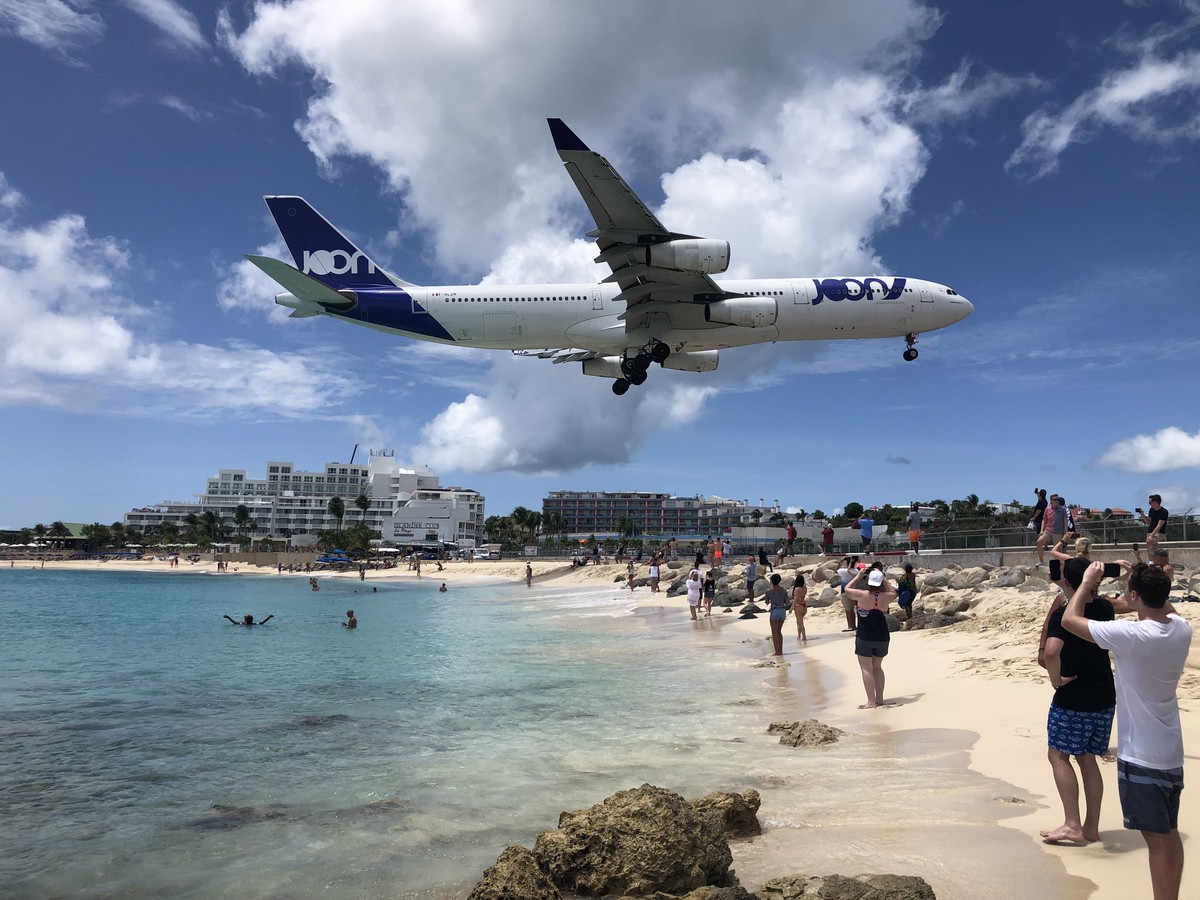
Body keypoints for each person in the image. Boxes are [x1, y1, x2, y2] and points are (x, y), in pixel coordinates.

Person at [1063, 562, 1191, 900]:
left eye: (1127, 592)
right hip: (1169, 752)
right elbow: (1167, 607)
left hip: (1143, 757)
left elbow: (1069, 621)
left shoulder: (1133, 636)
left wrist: (1087, 582)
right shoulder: (1181, 628)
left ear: (1134, 596)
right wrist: (1142, 584)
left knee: (1158, 839)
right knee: (1168, 834)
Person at [1038, 558, 1115, 846]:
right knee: (1088, 760)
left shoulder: (1063, 615)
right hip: (1104, 695)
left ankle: (1072, 824)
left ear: (1067, 582)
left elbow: (1052, 651)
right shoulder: (1105, 608)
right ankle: (1090, 827)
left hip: (1074, 697)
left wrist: (1055, 680)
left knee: (1058, 756)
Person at [845, 567, 897, 709]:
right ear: (880, 582)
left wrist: (858, 576)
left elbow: (847, 589)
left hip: (865, 637)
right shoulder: (886, 596)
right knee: (877, 668)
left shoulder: (861, 595)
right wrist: (884, 578)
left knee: (866, 669)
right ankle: (879, 699)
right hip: (882, 637)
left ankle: (871, 701)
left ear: (868, 581)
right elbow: (893, 591)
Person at [1036, 494, 1068, 564]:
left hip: (1058, 532)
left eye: (1058, 499)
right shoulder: (1047, 509)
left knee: (1057, 551)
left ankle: (1061, 565)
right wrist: (1041, 531)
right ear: (1051, 500)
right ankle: (1041, 561)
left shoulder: (1062, 509)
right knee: (1039, 542)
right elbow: (1044, 520)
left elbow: (1065, 521)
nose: (1057, 501)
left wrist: (1065, 532)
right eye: (1055, 500)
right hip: (1048, 531)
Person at [764, 573, 790, 655]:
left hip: (775, 610)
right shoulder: (784, 590)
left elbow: (767, 602)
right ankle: (781, 650)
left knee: (774, 633)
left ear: (771, 581)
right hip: (782, 611)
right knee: (779, 632)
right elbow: (787, 602)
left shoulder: (768, 591)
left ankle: (777, 651)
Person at [837, 557, 855, 632]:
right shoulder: (856, 571)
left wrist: (840, 561)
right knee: (852, 610)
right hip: (853, 591)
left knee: (848, 610)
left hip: (845, 592)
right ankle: (854, 625)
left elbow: (836, 569)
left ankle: (850, 626)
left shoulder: (843, 571)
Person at [791, 573, 808, 642]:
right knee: (799, 622)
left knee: (800, 623)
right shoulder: (805, 588)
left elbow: (795, 599)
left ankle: (804, 637)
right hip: (804, 605)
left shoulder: (797, 589)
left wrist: (791, 607)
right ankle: (799, 636)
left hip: (798, 606)